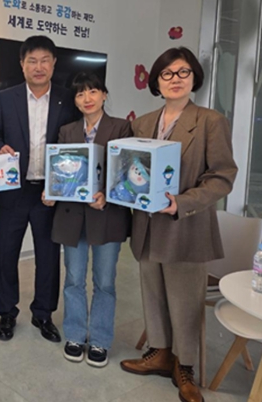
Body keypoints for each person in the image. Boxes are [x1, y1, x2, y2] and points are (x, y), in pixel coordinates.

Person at [119, 47, 237, 402]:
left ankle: (185, 367)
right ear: (156, 81)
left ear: (194, 77)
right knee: (153, 293)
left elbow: (222, 177)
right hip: (146, 225)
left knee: (185, 302)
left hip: (186, 225)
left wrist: (181, 203)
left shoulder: (210, 121)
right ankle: (159, 353)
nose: (175, 79)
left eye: (183, 72)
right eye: (167, 73)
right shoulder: (142, 123)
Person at [0, 35, 78, 342]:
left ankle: (43, 313)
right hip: (13, 190)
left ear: (54, 64)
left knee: (48, 256)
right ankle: (6, 312)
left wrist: (60, 186)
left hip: (49, 193)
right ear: (22, 65)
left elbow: (75, 144)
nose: (38, 67)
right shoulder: (6, 98)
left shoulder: (68, 99)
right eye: (32, 61)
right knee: (6, 253)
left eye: (44, 61)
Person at [42, 72, 131, 367]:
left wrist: (108, 195)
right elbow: (60, 172)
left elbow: (126, 173)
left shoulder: (121, 128)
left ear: (104, 95)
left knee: (104, 282)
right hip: (72, 216)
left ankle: (101, 339)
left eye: (93, 91)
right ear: (76, 101)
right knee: (73, 280)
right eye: (80, 94)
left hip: (106, 215)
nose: (87, 98)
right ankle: (75, 335)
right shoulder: (67, 131)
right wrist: (51, 192)